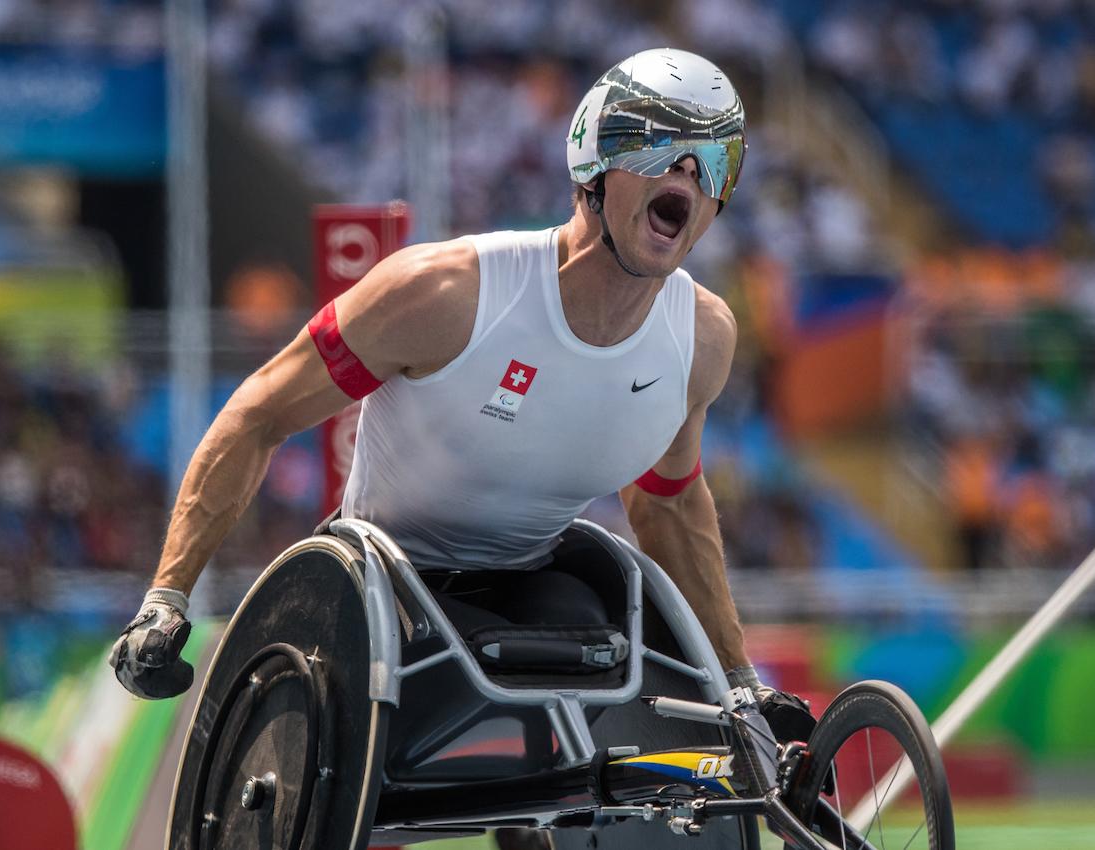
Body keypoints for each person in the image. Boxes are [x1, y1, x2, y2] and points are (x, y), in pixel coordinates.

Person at [109, 48, 811, 736]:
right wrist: (166, 598)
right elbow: (260, 413)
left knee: (602, 620)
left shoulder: (703, 339)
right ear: (593, 162)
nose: (687, 171)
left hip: (532, 587)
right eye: (658, 147)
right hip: (383, 583)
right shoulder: (444, 294)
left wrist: (740, 683)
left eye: (715, 159)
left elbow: (669, 504)